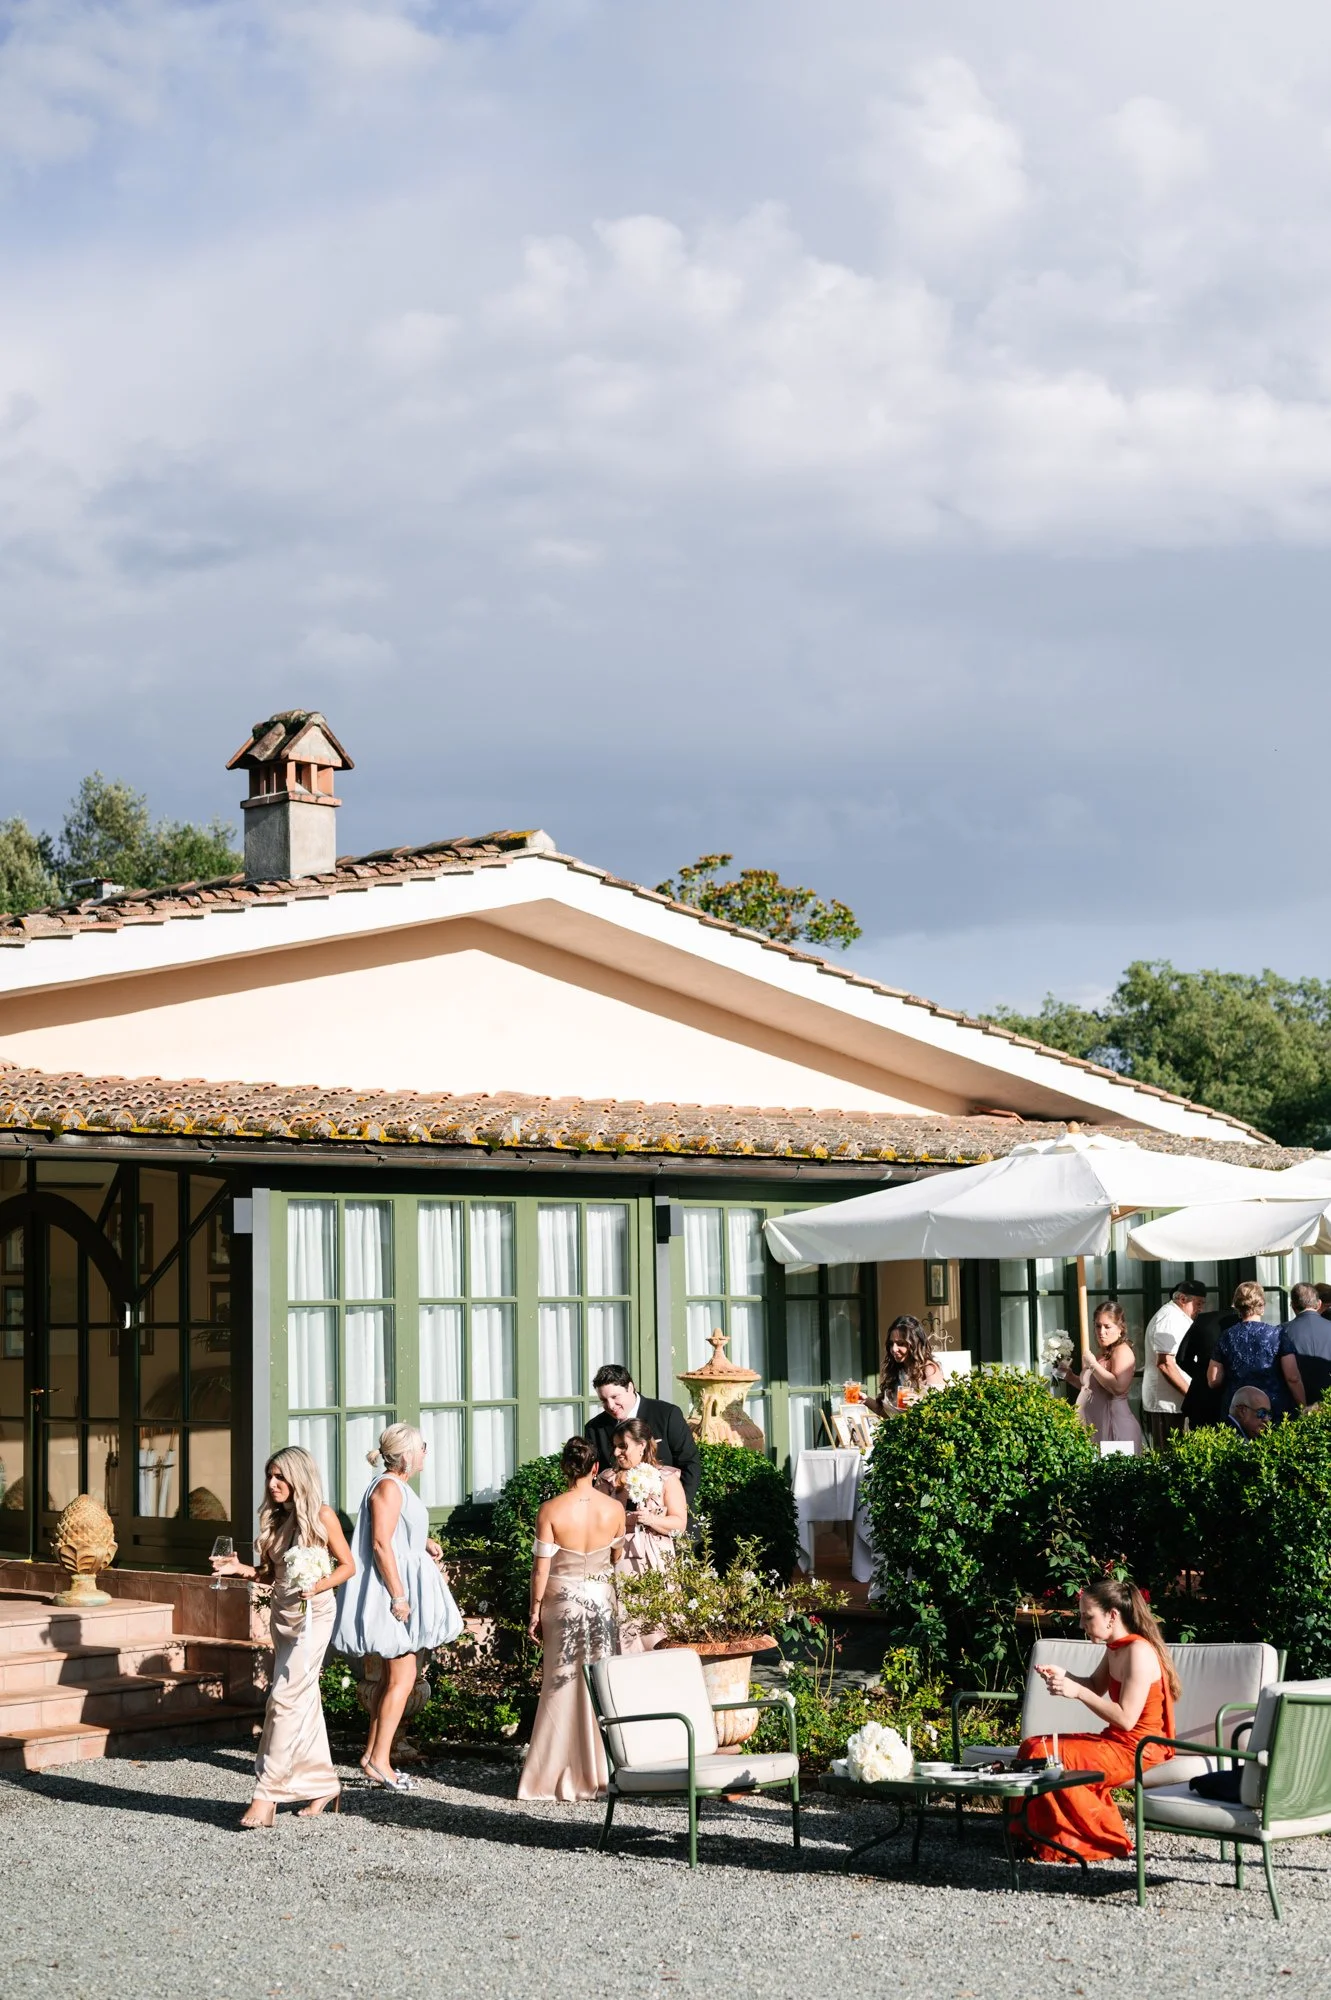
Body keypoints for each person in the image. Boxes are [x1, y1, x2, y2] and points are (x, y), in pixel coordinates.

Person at [211, 1445, 355, 1828]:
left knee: (284, 1698)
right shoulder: (276, 1520)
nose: (273, 1484)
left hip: (315, 1616)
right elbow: (271, 1575)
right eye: (269, 1477)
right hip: (283, 1617)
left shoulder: (322, 1515)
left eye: (280, 1477)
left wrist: (318, 1584)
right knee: (301, 1699)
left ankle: (266, 1795)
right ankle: (324, 1784)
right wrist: (241, 1568)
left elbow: (348, 1566)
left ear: (298, 1478)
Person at [332, 1422, 462, 1793]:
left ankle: (372, 1755)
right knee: (402, 1680)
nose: (425, 1453)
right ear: (406, 1454)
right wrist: (399, 1596)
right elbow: (380, 1544)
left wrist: (424, 1542)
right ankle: (380, 1761)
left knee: (393, 1679)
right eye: (423, 1446)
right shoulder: (388, 1487)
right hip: (396, 1595)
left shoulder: (396, 1487)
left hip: (403, 1588)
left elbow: (398, 1535)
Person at [1015, 1577, 1178, 1864]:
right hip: (1116, 1741)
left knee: (1044, 1754)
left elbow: (1127, 1719)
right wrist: (1063, 1676)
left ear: (1112, 1616)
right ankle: (1033, 1834)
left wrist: (1076, 1692)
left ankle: (1096, 1839)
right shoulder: (1116, 1648)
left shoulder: (1138, 1651)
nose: (1082, 1625)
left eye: (1087, 1617)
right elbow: (1093, 1684)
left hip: (1141, 1748)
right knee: (1033, 1747)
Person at [518, 1437, 627, 1802]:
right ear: (596, 1468)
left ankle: (550, 1775)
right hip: (600, 1602)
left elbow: (540, 1569)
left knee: (559, 1684)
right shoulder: (613, 1509)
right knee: (600, 1684)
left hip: (561, 1603)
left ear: (566, 1468)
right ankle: (601, 1771)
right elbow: (616, 1557)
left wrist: (533, 1612)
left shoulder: (550, 1510)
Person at [597, 1416, 687, 1651]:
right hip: (620, 1557)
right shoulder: (607, 1480)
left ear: (642, 1445)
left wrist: (652, 1519)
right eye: (614, 1446)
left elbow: (679, 1523)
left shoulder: (667, 1478)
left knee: (661, 1621)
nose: (616, 1452)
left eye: (622, 1446)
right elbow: (597, 1522)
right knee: (626, 1621)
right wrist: (624, 1518)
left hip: (657, 1557)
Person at [584, 1364, 701, 1508]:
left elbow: (690, 1464)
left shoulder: (667, 1414)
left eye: (615, 1397)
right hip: (617, 1518)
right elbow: (594, 1477)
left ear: (630, 1387)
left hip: (670, 1513)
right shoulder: (594, 1428)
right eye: (603, 1400)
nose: (611, 1405)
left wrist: (677, 1508)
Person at [1056, 1301, 1143, 1454]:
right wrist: (1069, 1377)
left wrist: (1093, 1365)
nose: (1101, 1332)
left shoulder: (1122, 1351)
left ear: (1120, 1328)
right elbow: (1093, 1388)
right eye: (1097, 1326)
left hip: (1115, 1427)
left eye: (1107, 1326)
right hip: (1096, 1426)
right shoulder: (1103, 1352)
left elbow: (1118, 1388)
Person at [1141, 1278, 1206, 1449]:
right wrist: (1191, 1395)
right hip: (1167, 1405)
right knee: (1169, 1461)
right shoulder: (1169, 1318)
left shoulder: (1178, 1317)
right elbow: (1165, 1364)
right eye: (1198, 1303)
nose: (1201, 1309)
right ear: (1182, 1299)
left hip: (1177, 1403)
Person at [1208, 1281, 1289, 1418]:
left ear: (1238, 1307)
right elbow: (1292, 1376)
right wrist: (1302, 1404)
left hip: (1238, 1407)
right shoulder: (1277, 1334)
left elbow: (1213, 1380)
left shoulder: (1227, 1336)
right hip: (1270, 1404)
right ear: (1262, 1306)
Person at [866, 1314, 945, 1415]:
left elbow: (943, 1408)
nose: (894, 1349)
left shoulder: (929, 1369)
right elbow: (890, 1415)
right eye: (891, 1344)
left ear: (915, 1344)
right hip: (900, 1430)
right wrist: (865, 1400)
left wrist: (920, 1403)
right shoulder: (897, 1371)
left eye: (901, 1344)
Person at [1179, 1299, 1237, 1431]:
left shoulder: (1203, 1319)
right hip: (1234, 1398)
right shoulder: (1246, 1325)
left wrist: (1203, 1374)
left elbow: (1182, 1358)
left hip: (1201, 1398)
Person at [1279, 1281, 1331, 1408]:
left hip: (1293, 1403)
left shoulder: (1281, 1332)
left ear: (1292, 1305)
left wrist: (1302, 1407)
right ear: (1318, 1304)